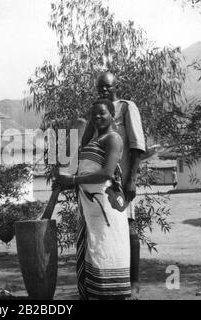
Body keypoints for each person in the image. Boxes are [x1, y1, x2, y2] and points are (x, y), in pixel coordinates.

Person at [57, 99, 131, 300]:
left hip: (105, 209)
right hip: (92, 210)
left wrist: (73, 179)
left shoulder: (113, 139)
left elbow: (107, 173)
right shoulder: (93, 140)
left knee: (106, 249)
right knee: (94, 251)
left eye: (102, 113)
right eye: (94, 114)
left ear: (112, 114)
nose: (97, 117)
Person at [81, 71, 146, 299]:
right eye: (100, 88)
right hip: (99, 185)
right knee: (106, 232)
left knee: (129, 227)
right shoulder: (98, 110)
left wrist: (132, 179)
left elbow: (137, 145)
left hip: (120, 179)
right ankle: (107, 281)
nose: (104, 90)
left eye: (107, 87)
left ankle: (134, 282)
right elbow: (85, 143)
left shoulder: (127, 107)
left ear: (115, 85)